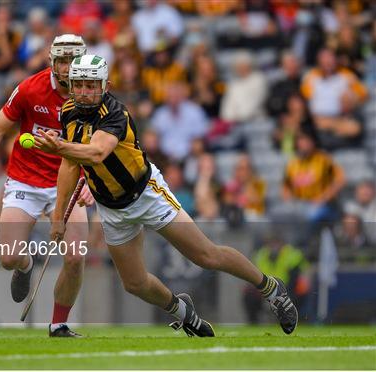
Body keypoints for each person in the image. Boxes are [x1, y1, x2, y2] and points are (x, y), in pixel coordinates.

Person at [34, 54, 298, 337]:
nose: (85, 92)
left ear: (106, 85)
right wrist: (58, 216)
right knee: (134, 283)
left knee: (206, 255)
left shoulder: (114, 113)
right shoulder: (69, 111)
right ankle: (183, 312)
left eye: (92, 85)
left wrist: (59, 147)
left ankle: (272, 289)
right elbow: (70, 164)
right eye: (80, 84)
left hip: (146, 193)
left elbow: (96, 153)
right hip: (110, 207)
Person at [0, 34, 93, 337]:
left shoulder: (92, 95)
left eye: (72, 60)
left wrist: (93, 181)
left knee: (76, 255)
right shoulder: (29, 89)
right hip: (25, 178)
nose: (67, 68)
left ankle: (59, 324)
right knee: (8, 257)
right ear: (52, 62)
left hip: (69, 181)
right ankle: (25, 267)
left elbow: (105, 146)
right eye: (62, 60)